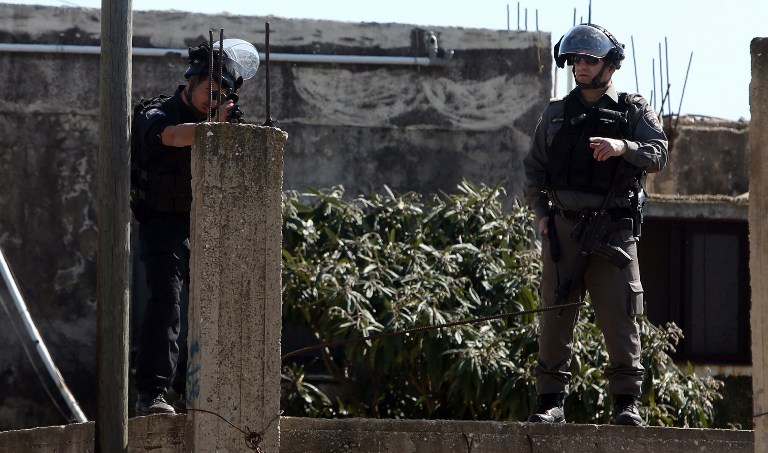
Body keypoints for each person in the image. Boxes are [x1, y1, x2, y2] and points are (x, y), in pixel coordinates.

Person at [522, 23, 668, 425]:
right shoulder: (555, 114)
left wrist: (624, 147)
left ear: (610, 65)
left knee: (620, 316)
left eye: (590, 59)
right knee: (555, 315)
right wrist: (540, 214)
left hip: (614, 231)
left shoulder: (633, 110)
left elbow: (659, 153)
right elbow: (533, 168)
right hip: (563, 231)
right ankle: (551, 401)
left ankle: (626, 403)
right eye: (576, 60)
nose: (581, 66)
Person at [130, 40, 245, 415]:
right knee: (167, 300)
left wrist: (228, 132)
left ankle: (197, 390)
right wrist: (212, 128)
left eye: (222, 95)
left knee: (220, 303)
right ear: (191, 82)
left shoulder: (221, 120)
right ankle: (151, 394)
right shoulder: (156, 111)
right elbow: (174, 137)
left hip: (205, 222)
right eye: (211, 91)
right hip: (162, 222)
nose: (215, 100)